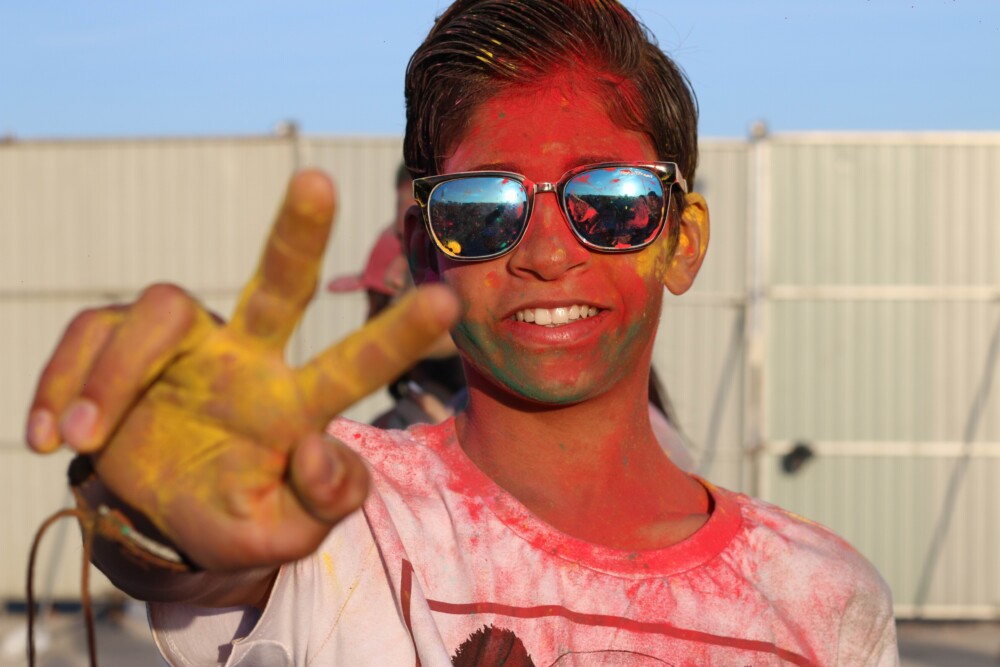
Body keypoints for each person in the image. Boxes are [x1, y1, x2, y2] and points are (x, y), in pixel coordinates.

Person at [25, 0, 898, 664]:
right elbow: (198, 550)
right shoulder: (335, 506)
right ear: (424, 251)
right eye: (483, 210)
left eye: (613, 201)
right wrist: (159, 496)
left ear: (683, 239)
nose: (548, 253)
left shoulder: (824, 600)